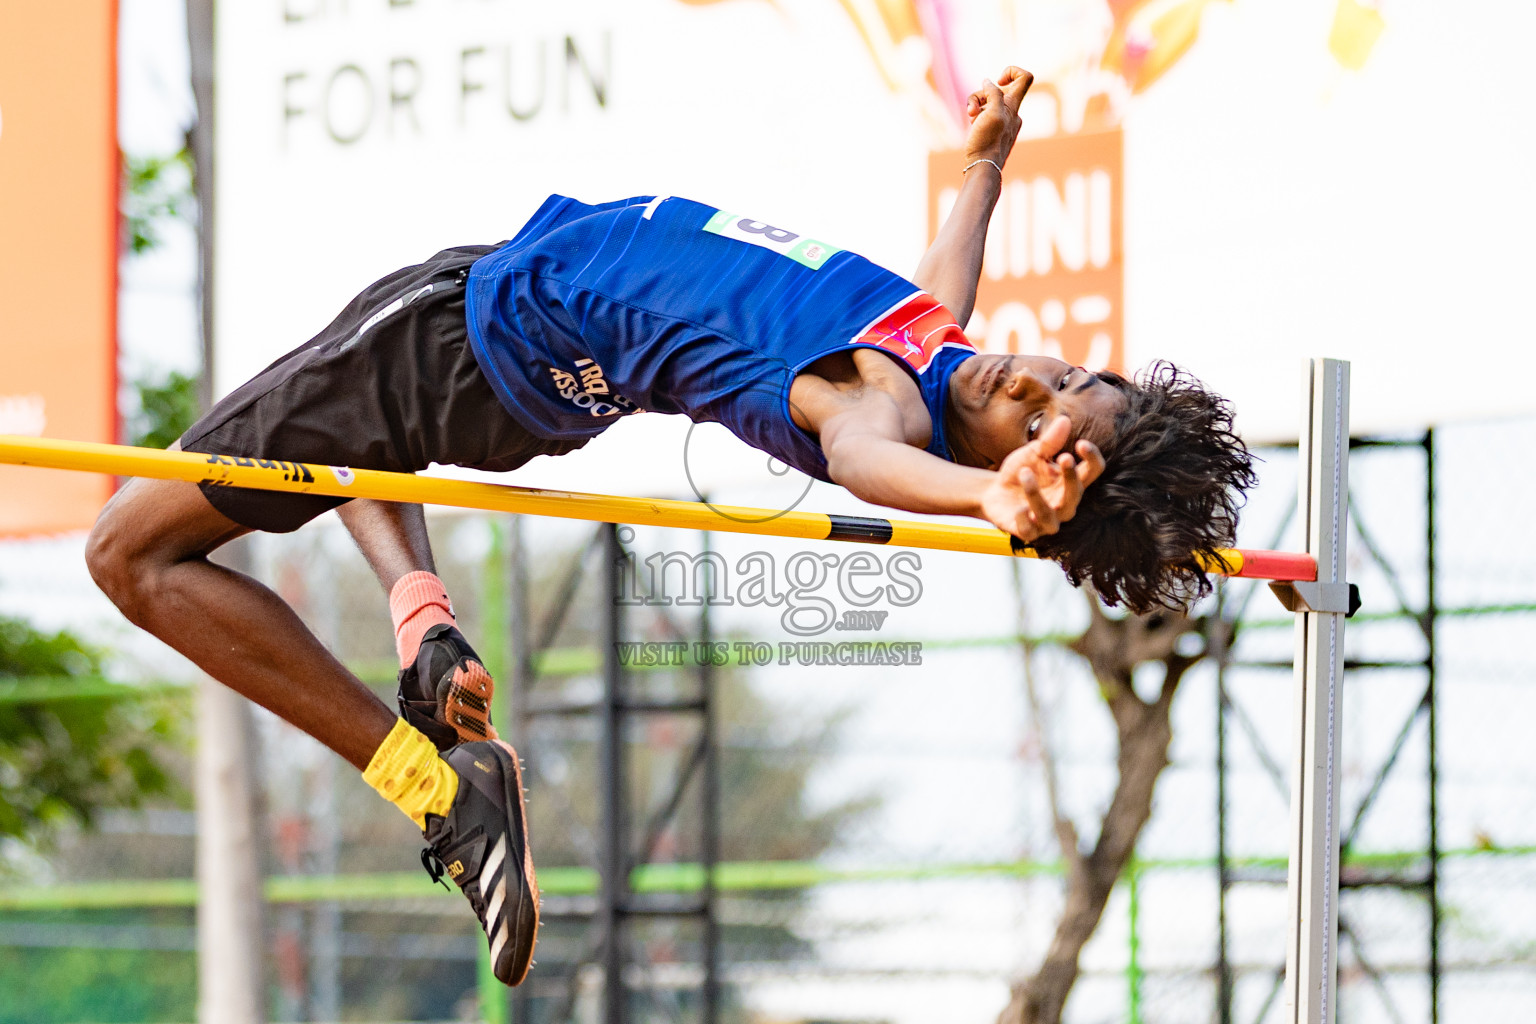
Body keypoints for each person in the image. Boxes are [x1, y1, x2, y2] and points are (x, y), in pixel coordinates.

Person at [84, 66, 1253, 987]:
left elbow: (869, 461)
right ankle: (423, 627)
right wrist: (984, 171)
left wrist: (997, 508)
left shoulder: (876, 407)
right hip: (488, 338)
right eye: (1061, 379)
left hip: (470, 340)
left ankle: (436, 791)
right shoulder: (937, 354)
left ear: (1003, 470)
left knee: (129, 553)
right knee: (345, 437)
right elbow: (947, 291)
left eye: (1034, 427)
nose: (1024, 385)